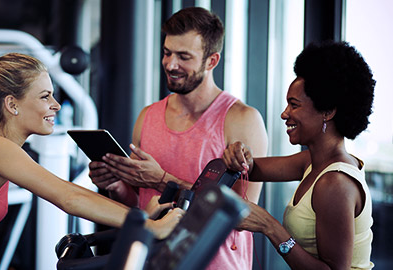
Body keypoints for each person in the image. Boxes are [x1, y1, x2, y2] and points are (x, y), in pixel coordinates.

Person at [0, 53, 183, 270]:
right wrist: (149, 226)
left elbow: (69, 190)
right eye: (45, 96)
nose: (56, 105)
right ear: (12, 104)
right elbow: (67, 198)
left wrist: (140, 216)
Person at [89, 7, 268, 270]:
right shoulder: (147, 116)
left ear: (212, 61)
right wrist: (117, 185)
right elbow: (141, 205)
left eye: (184, 56)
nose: (171, 64)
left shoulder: (242, 119)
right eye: (167, 52)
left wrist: (162, 180)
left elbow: (244, 215)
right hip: (150, 261)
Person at [223, 41, 375, 269]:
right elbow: (251, 168)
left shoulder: (335, 182)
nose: (285, 114)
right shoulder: (313, 162)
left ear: (328, 111)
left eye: (294, 105)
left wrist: (269, 226)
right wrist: (239, 153)